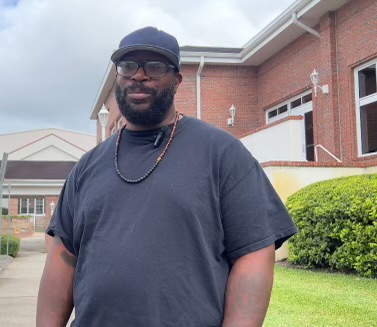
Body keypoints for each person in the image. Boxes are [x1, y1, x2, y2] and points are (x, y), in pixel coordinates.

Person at [37, 26, 298, 326]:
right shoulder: (87, 166)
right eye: (128, 66)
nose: (138, 75)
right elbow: (63, 257)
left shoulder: (221, 153)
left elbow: (254, 253)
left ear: (177, 80)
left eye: (154, 66)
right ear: (118, 77)